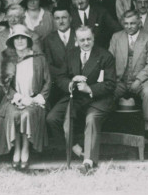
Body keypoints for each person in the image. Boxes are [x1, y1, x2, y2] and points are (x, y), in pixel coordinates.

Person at [46, 26, 117, 174]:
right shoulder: (71, 54)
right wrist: (72, 81)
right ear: (76, 41)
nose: (86, 42)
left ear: (93, 38)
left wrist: (90, 89)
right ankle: (75, 149)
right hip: (76, 96)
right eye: (82, 40)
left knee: (91, 119)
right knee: (53, 118)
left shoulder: (105, 56)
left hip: (98, 98)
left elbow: (110, 84)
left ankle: (88, 162)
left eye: (88, 39)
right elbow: (60, 78)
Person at [0, 25, 51, 169]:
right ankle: (17, 149)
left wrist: (36, 98)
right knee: (14, 114)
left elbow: (48, 82)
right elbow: (5, 84)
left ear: (28, 40)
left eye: (23, 38)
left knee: (26, 114)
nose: (19, 41)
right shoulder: (7, 58)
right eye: (16, 38)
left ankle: (26, 148)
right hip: (14, 99)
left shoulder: (39, 58)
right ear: (12, 41)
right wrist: (19, 97)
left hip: (34, 99)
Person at [108, 10, 148, 140]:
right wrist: (114, 79)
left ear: (139, 23)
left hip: (142, 79)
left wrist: (139, 80)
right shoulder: (116, 37)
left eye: (132, 23)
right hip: (120, 79)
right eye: (126, 23)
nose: (129, 26)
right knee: (107, 91)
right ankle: (108, 125)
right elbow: (109, 60)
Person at [0, 4, 43, 86]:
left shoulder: (33, 37)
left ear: (23, 18)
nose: (12, 20)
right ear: (6, 18)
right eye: (10, 16)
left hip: (27, 85)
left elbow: (39, 63)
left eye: (16, 16)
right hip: (3, 86)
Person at [42, 7, 77, 101]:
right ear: (53, 20)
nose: (61, 21)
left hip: (79, 83)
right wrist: (63, 77)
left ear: (70, 18)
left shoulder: (79, 35)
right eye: (57, 18)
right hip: (57, 86)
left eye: (64, 17)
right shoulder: (48, 40)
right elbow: (48, 65)